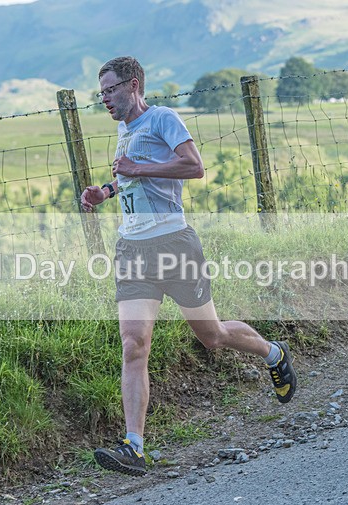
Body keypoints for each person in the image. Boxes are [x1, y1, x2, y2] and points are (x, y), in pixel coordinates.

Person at [80, 56, 296, 477]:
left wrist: (137, 168)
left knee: (212, 335)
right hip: (132, 249)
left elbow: (194, 167)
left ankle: (273, 353)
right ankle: (134, 446)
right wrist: (105, 191)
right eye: (101, 92)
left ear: (134, 84)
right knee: (133, 344)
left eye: (110, 90)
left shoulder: (163, 119)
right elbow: (131, 180)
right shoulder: (123, 130)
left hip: (174, 244)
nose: (104, 99)